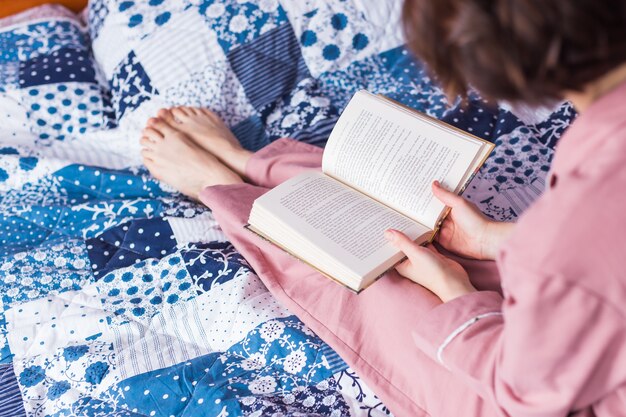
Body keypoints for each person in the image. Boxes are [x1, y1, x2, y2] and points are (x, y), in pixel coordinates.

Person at [139, 0, 626, 415]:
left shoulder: (577, 225)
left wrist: (456, 298)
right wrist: (498, 240)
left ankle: (220, 183)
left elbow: (524, 396)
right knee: (412, 230)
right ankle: (249, 163)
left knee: (380, 288)